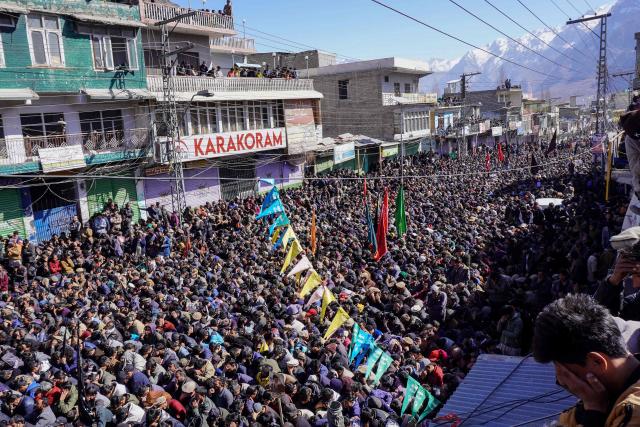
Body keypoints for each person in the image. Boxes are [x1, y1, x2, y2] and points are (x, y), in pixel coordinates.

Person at [533, 294, 640, 426]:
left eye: (567, 373)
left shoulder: (635, 410)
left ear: (597, 362)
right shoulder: (603, 394)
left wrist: (594, 412)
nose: (561, 381)